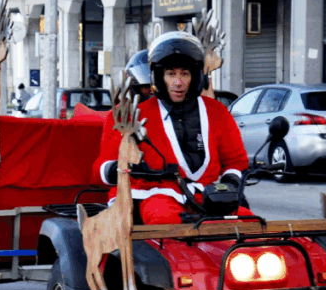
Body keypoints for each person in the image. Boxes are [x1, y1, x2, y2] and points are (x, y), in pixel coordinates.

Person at [93, 32, 249, 225]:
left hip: (206, 196)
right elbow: (101, 167)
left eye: (184, 73)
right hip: (153, 195)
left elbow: (236, 161)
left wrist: (230, 184)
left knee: (248, 223)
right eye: (171, 74)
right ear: (159, 77)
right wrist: (124, 168)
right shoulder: (130, 114)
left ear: (196, 76)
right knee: (167, 222)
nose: (178, 82)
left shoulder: (217, 112)